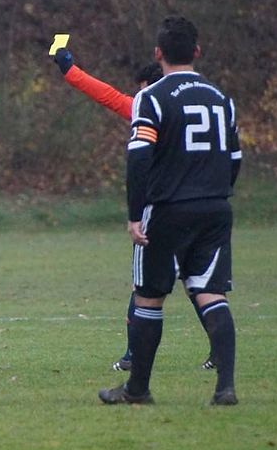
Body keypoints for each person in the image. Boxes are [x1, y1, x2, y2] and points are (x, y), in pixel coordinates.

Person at [99, 16, 241, 406]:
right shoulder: (221, 98)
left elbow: (139, 157)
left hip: (167, 209)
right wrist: (217, 192)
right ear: (197, 51)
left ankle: (137, 389)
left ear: (158, 53)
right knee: (210, 293)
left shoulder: (152, 97)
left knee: (148, 296)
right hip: (215, 208)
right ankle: (225, 387)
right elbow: (235, 158)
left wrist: (135, 213)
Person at [53, 48, 215, 372]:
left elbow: (108, 96)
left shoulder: (151, 108)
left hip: (163, 210)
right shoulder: (196, 111)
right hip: (200, 206)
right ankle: (220, 351)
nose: (139, 98)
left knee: (144, 286)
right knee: (196, 282)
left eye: (142, 91)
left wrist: (70, 70)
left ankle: (133, 355)